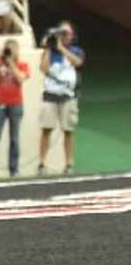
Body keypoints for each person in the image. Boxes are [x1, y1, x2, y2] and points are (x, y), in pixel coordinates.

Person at [38, 21, 84, 175]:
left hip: (68, 95)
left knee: (68, 130)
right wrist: (49, 48)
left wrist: (61, 48)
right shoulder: (50, 51)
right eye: (61, 33)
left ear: (72, 35)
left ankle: (69, 164)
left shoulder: (76, 50)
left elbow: (77, 62)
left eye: (67, 33)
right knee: (46, 129)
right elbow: (44, 69)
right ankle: (42, 164)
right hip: (50, 94)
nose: (64, 36)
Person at [0, 39, 29, 177]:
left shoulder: (23, 65)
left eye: (12, 49)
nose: (10, 52)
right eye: (7, 49)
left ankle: (14, 169)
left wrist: (11, 63)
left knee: (14, 138)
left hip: (16, 104)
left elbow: (21, 79)